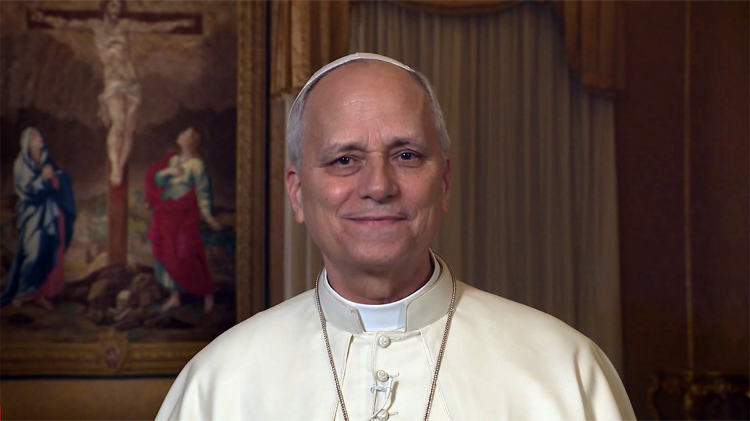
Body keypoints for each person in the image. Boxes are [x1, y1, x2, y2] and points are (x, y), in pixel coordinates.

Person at [156, 53, 635, 420]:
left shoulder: (564, 371)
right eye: (345, 159)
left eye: (406, 155)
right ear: (298, 194)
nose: (379, 186)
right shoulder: (218, 385)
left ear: (443, 182)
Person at [31, 0, 195, 186]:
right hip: (113, 80)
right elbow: (66, 23)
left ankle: (120, 166)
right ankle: (115, 168)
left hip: (131, 80)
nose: (117, 10)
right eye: (113, 5)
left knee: (129, 129)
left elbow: (152, 26)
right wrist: (44, 18)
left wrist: (179, 23)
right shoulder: (95, 25)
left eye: (119, 6)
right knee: (118, 123)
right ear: (105, 6)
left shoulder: (125, 25)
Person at [146, 127, 221, 314]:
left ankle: (207, 294)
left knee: (186, 253)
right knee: (167, 252)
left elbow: (202, 191)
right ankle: (174, 297)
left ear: (190, 141)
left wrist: (208, 216)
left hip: (185, 214)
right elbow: (158, 181)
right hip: (167, 214)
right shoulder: (173, 160)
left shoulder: (197, 164)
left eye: (184, 135)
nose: (180, 137)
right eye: (181, 134)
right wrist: (167, 172)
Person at [1, 127, 76, 310]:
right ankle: (22, 293)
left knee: (46, 252)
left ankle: (39, 294)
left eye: (39, 135)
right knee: (33, 253)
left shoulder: (46, 160)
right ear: (27, 142)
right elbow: (26, 190)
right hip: (31, 214)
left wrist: (57, 177)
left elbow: (57, 180)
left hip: (48, 212)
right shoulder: (22, 163)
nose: (39, 138)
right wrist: (43, 178)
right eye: (34, 136)